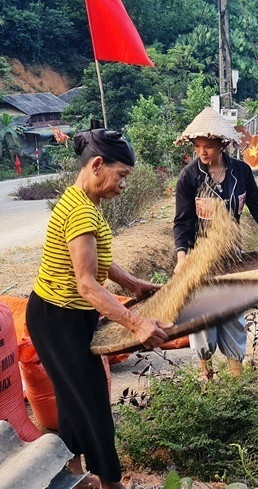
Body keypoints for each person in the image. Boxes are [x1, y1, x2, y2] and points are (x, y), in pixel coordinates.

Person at [26, 128, 170, 489]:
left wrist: (132, 284)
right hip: (58, 318)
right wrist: (136, 323)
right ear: (97, 164)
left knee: (73, 393)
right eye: (121, 176)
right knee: (92, 401)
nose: (123, 185)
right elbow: (87, 284)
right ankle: (110, 482)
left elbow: (98, 262)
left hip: (63, 315)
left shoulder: (83, 202)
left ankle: (71, 472)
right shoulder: (81, 214)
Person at [173, 107, 258, 378]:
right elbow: (181, 222)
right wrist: (182, 257)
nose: (202, 152)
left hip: (233, 257)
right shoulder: (190, 177)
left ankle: (236, 379)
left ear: (222, 144)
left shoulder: (240, 171)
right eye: (197, 147)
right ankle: (207, 376)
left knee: (232, 314)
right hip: (199, 259)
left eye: (208, 146)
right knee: (203, 318)